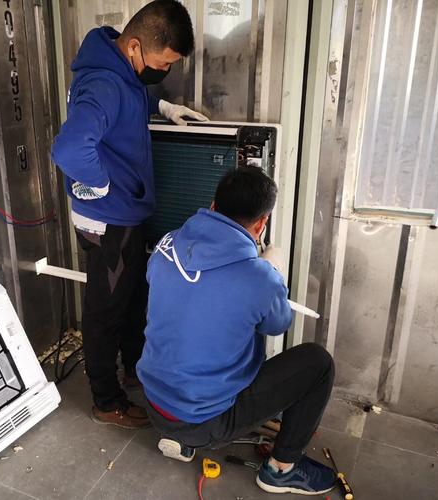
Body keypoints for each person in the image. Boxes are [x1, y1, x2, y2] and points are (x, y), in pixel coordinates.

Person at [51, 0, 208, 430]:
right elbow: (69, 148)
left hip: (125, 214)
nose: (165, 71)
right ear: (135, 46)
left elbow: (131, 97)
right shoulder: (104, 82)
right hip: (108, 218)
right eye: (164, 63)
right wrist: (98, 184)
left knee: (134, 296)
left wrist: (162, 107)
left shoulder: (119, 67)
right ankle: (107, 401)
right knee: (105, 311)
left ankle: (136, 370)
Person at [137, 167, 337, 495]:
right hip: (205, 420)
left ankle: (180, 439)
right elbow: (278, 324)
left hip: (154, 402)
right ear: (261, 224)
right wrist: (272, 270)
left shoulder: (167, 243)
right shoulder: (259, 277)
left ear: (213, 206)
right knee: (318, 363)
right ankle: (281, 469)